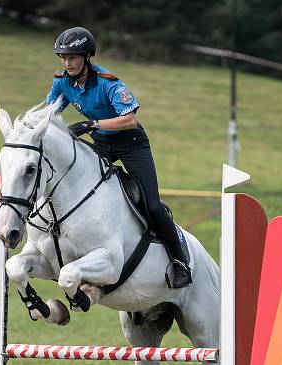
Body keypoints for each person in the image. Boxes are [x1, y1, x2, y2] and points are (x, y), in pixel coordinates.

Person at [47, 26, 193, 289]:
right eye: (63, 58)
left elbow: (129, 119)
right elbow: (49, 111)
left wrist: (92, 124)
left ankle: (180, 261)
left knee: (154, 206)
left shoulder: (108, 82)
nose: (67, 63)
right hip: (102, 145)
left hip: (132, 145)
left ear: (87, 57)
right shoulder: (61, 81)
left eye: (72, 58)